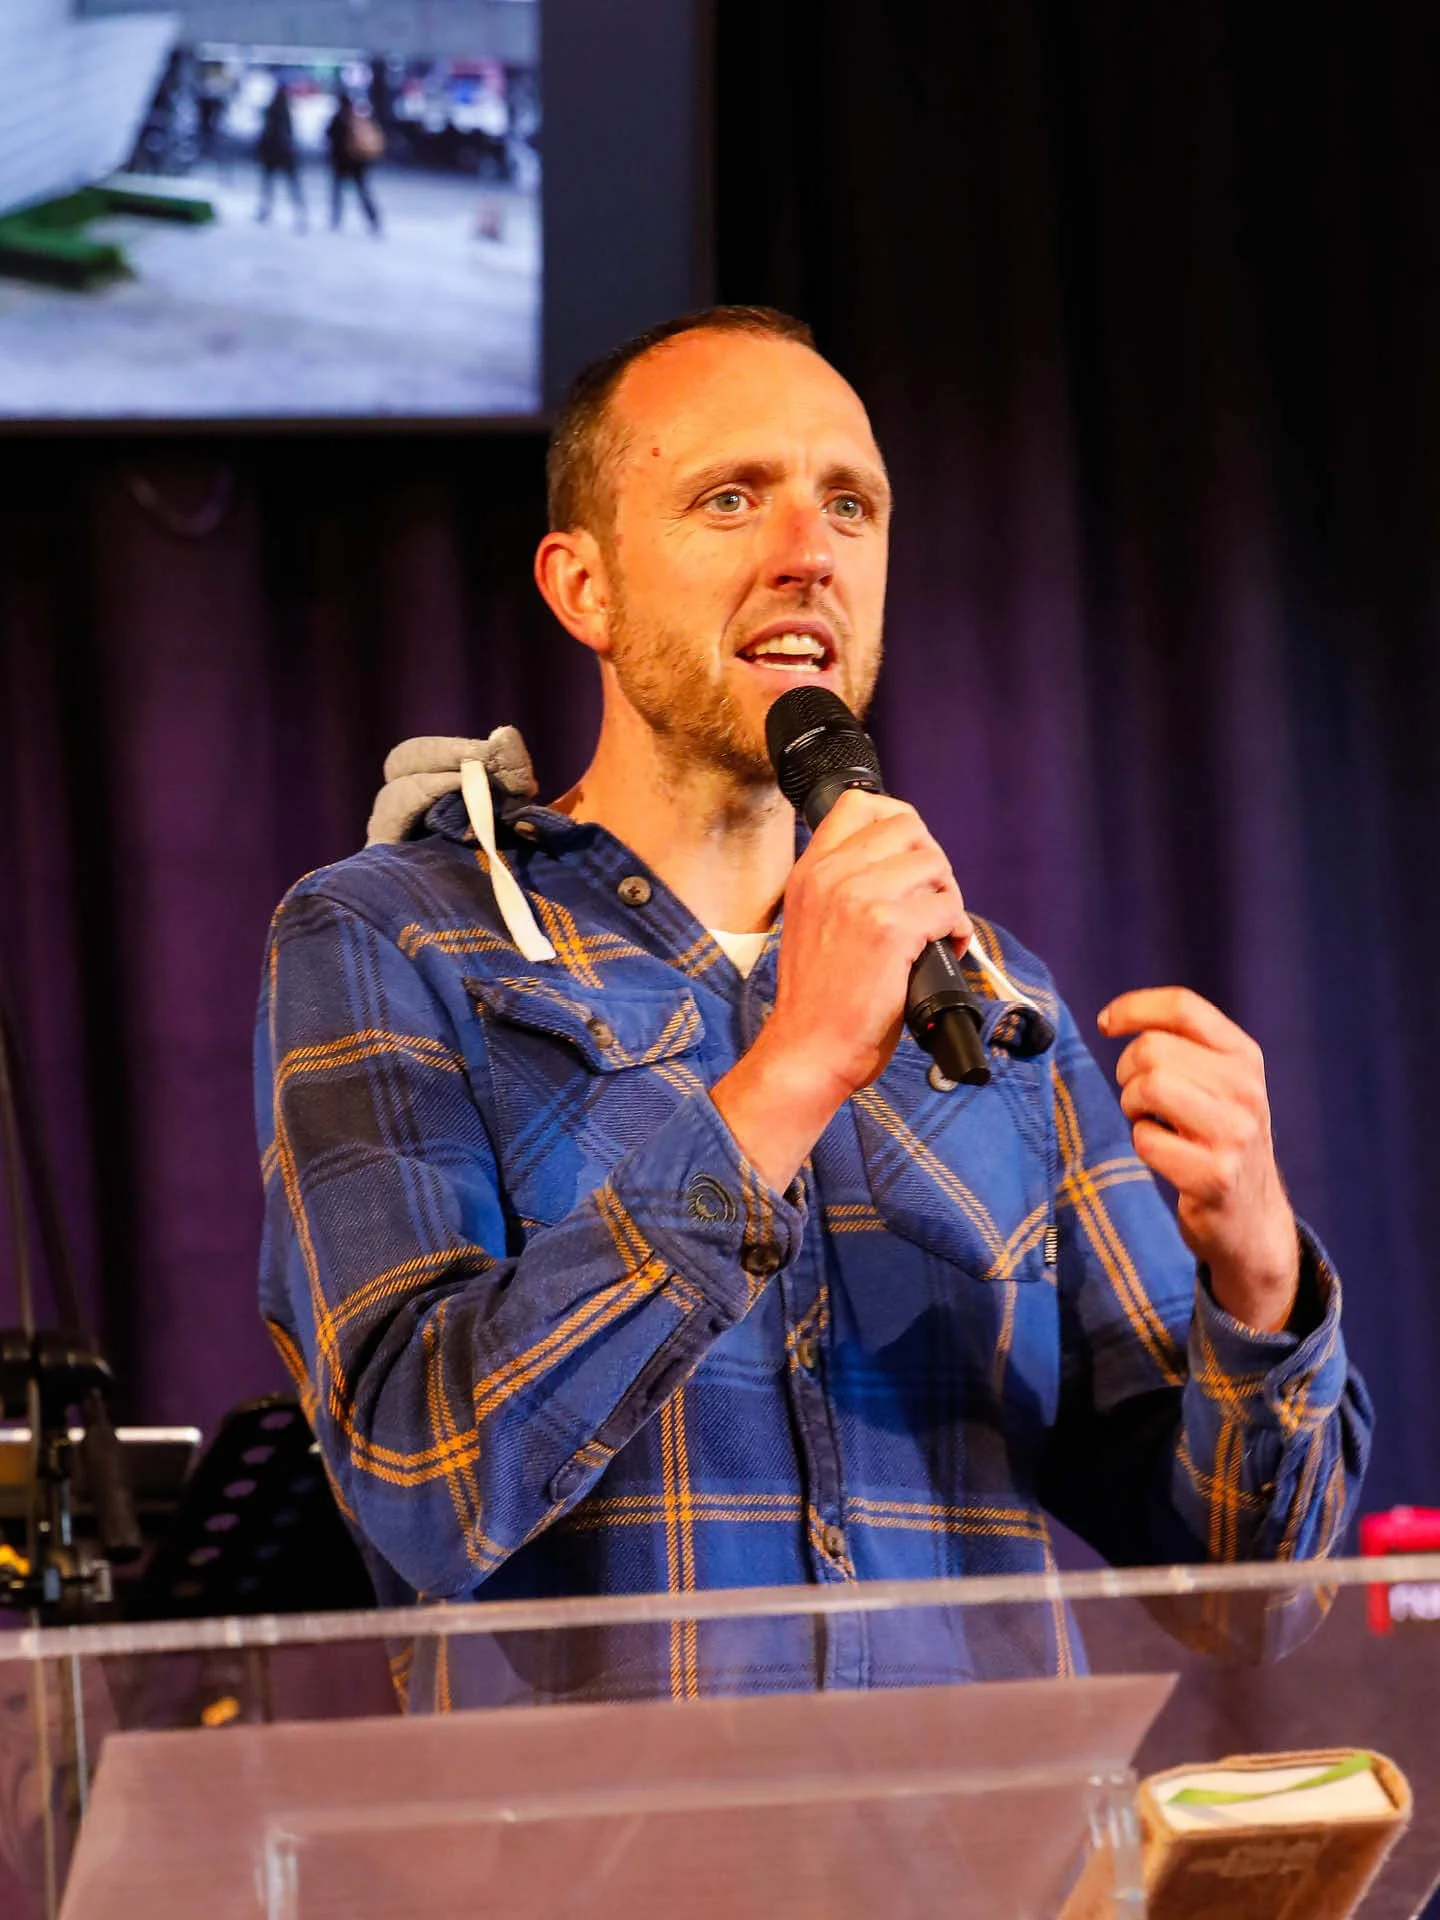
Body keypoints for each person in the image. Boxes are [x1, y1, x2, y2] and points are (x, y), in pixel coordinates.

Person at [256, 307, 1372, 1704]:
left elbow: (1244, 1595)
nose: (809, 553)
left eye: (851, 503)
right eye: (731, 499)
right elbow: (419, 1475)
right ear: (582, 588)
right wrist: (786, 1073)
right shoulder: (395, 935)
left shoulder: (988, 991)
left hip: (977, 1869)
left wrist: (1260, 1280)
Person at [325, 92, 383, 235]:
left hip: (342, 163)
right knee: (362, 192)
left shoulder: (339, 119)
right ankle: (373, 220)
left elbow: (329, 135)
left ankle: (336, 219)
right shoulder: (358, 119)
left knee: (338, 193)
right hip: (357, 162)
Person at [255, 80, 306, 231]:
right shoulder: (284, 109)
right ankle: (299, 213)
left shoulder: (274, 109)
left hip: (275, 153)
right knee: (290, 185)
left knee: (270, 184)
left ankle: (267, 211)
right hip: (284, 153)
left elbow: (268, 132)